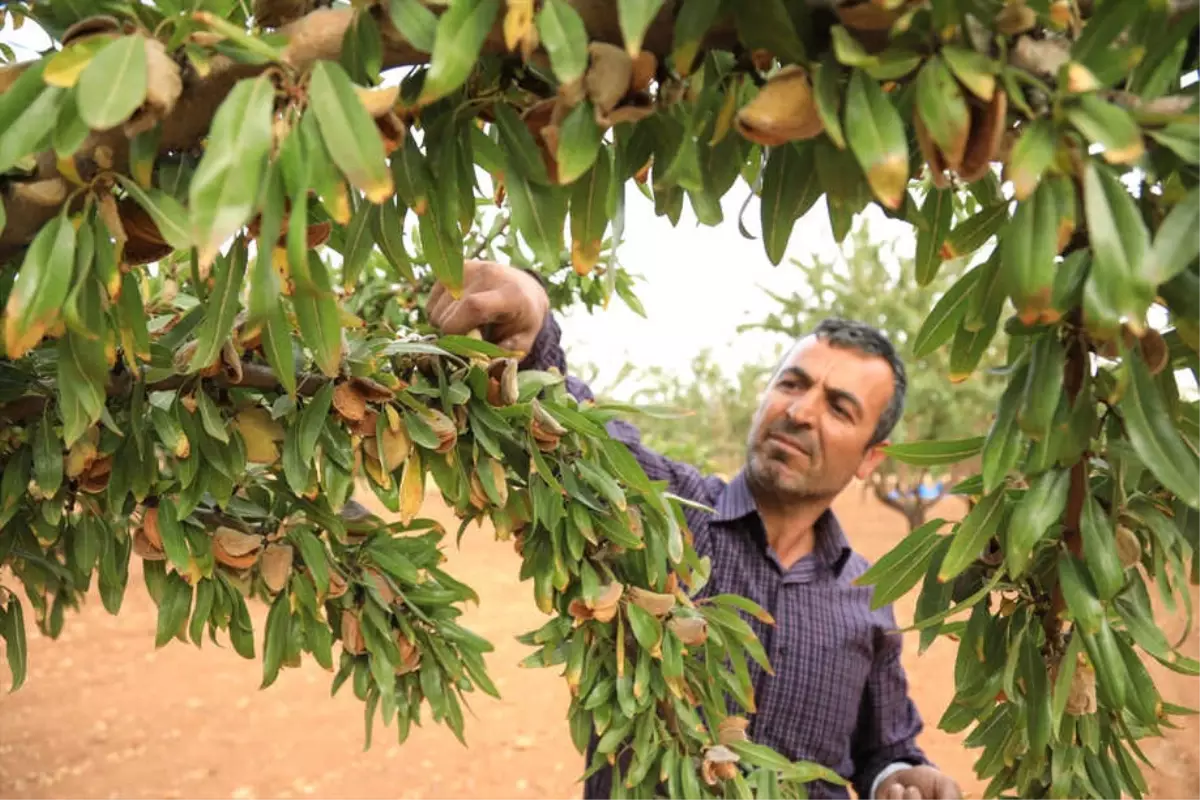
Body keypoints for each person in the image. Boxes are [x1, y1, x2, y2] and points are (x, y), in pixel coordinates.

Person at [425, 260, 964, 800]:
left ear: (872, 457)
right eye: (792, 384)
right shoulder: (665, 509)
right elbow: (574, 432)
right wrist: (533, 318)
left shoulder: (869, 595)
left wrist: (898, 780)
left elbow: (884, 750)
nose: (800, 411)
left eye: (839, 409)